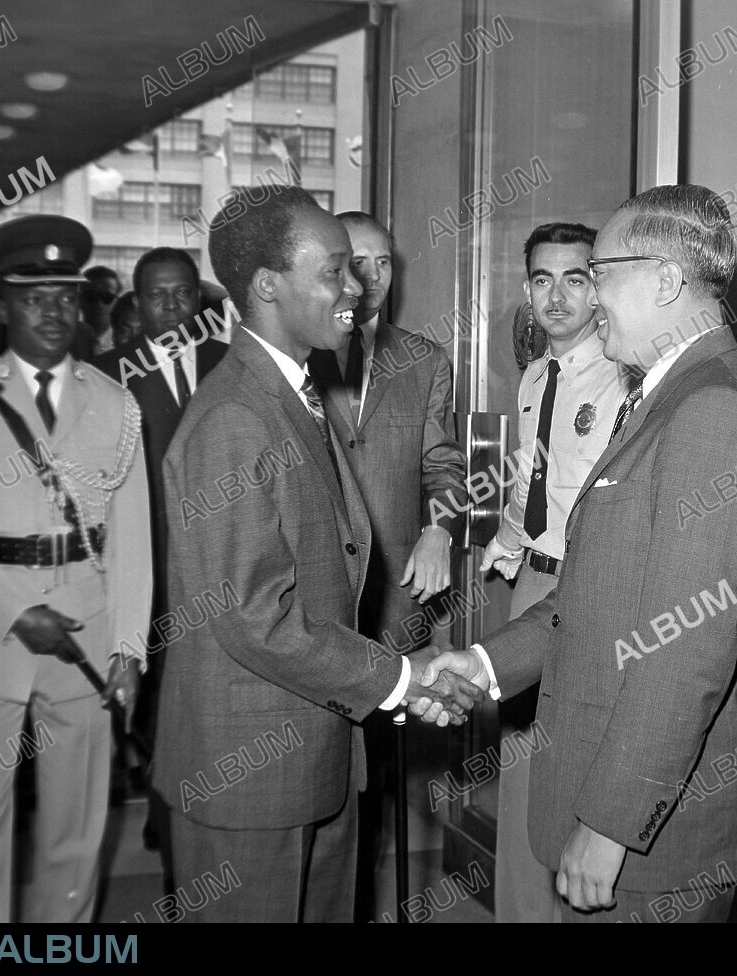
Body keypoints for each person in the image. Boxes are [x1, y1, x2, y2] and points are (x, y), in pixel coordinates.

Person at [414, 185, 737, 923]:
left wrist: (612, 824)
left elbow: (686, 650)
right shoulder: (668, 393)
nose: (588, 297)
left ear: (665, 280)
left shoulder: (713, 411)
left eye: (600, 274)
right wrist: (486, 664)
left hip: (654, 841)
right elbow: (600, 587)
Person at [151, 187, 482, 922]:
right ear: (268, 286)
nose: (356, 288)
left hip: (316, 753)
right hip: (250, 777)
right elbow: (255, 618)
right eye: (335, 270)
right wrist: (401, 677)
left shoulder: (292, 392)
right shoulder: (236, 417)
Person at [0, 215, 151, 922]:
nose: (53, 313)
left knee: (76, 827)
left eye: (65, 297)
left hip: (87, 628)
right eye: (33, 298)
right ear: (0, 306)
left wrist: (129, 650)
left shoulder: (114, 402)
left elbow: (132, 541)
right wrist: (11, 609)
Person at [306, 212, 466, 919]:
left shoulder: (424, 358)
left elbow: (445, 466)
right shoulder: (304, 350)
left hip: (395, 593)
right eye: (355, 262)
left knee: (378, 773)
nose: (370, 277)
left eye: (383, 262)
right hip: (316, 601)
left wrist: (439, 529)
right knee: (324, 771)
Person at [479, 221, 625, 922]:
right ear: (527, 289)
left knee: (576, 761)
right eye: (543, 280)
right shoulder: (536, 375)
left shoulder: (625, 377)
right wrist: (507, 543)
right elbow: (531, 480)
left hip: (587, 589)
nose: (557, 296)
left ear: (599, 288)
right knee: (520, 762)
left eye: (576, 278)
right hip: (532, 581)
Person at [94, 247, 227, 855]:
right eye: (156, 294)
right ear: (137, 301)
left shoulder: (233, 363)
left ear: (198, 298)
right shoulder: (105, 374)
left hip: (222, 565)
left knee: (210, 701)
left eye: (182, 293)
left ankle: (199, 819)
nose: (171, 306)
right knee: (152, 701)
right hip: (144, 571)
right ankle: (165, 816)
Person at [71, 266, 122, 360]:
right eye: (91, 297)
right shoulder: (64, 341)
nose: (99, 304)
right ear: (79, 300)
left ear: (117, 302)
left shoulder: (127, 343)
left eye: (107, 297)